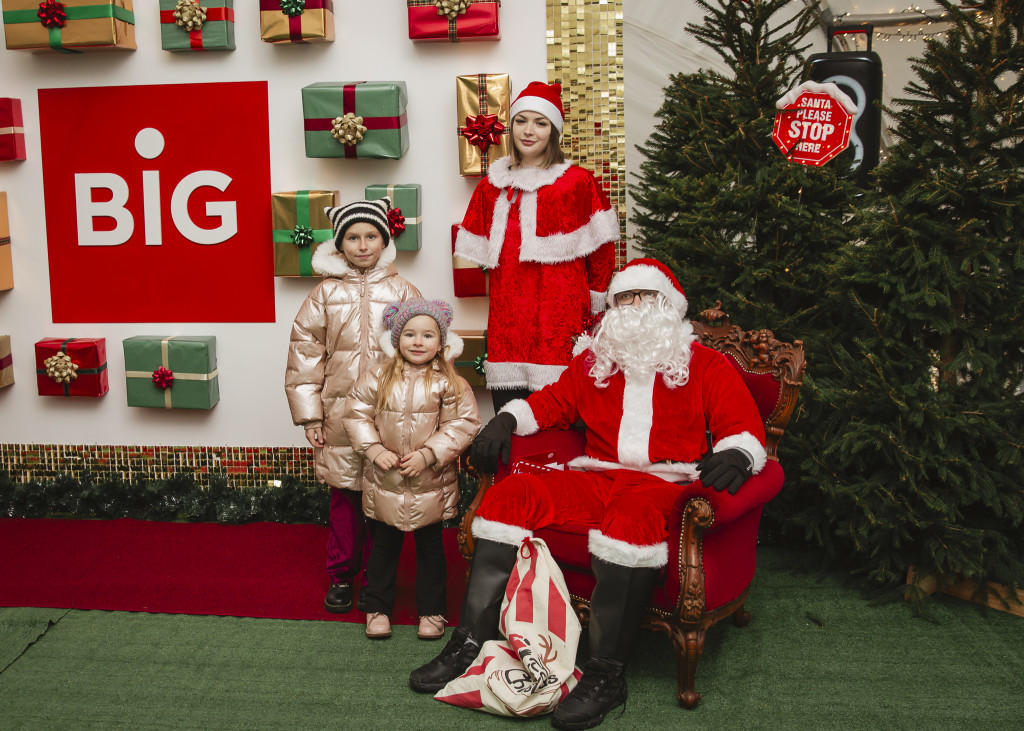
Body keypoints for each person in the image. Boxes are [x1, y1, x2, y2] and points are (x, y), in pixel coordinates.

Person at [409, 258, 768, 729]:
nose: (634, 307)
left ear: (669, 307)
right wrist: (507, 419)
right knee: (510, 496)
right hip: (596, 476)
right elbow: (552, 403)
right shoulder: (594, 362)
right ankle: (470, 642)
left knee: (632, 520)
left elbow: (743, 428)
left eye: (646, 298)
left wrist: (739, 454)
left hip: (664, 483)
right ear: (612, 308)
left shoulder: (704, 364)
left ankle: (605, 673)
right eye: (625, 298)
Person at [285, 198, 420, 615]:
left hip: (390, 417)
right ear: (339, 245)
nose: (363, 245)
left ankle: (378, 580)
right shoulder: (324, 294)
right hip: (339, 417)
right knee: (345, 500)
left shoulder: (403, 291)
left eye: (371, 236)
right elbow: (305, 354)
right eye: (352, 238)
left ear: (385, 239)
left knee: (384, 499)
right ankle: (342, 575)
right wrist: (310, 414)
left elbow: (423, 350)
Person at [454, 81, 619, 412]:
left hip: (564, 316)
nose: (528, 131)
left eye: (540, 123)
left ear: (553, 131)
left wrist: (596, 312)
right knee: (510, 414)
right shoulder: (492, 187)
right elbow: (476, 253)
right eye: (521, 120)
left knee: (561, 411)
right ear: (510, 125)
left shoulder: (578, 182)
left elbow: (602, 255)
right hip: (509, 318)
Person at [343, 298, 482, 640]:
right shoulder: (376, 376)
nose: (418, 342)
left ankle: (432, 611)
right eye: (409, 334)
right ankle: (377, 607)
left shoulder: (450, 382)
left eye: (428, 335)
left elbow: (464, 424)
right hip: (385, 481)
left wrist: (429, 454)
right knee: (383, 548)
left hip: (430, 483)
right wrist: (373, 448)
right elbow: (355, 413)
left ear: (441, 342)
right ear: (396, 339)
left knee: (432, 550)